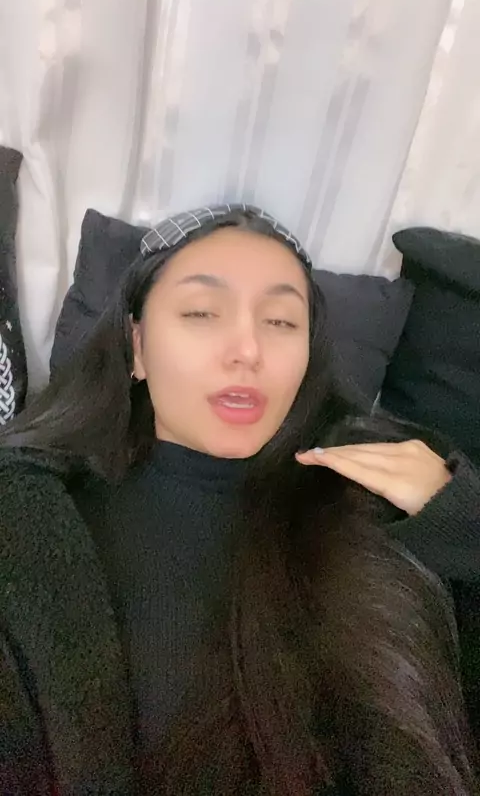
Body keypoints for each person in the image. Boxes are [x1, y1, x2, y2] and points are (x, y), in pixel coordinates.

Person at [0, 205, 478, 796]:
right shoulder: (30, 513)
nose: (248, 349)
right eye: (202, 312)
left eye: (280, 321)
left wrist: (464, 523)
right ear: (138, 347)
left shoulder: (383, 503)